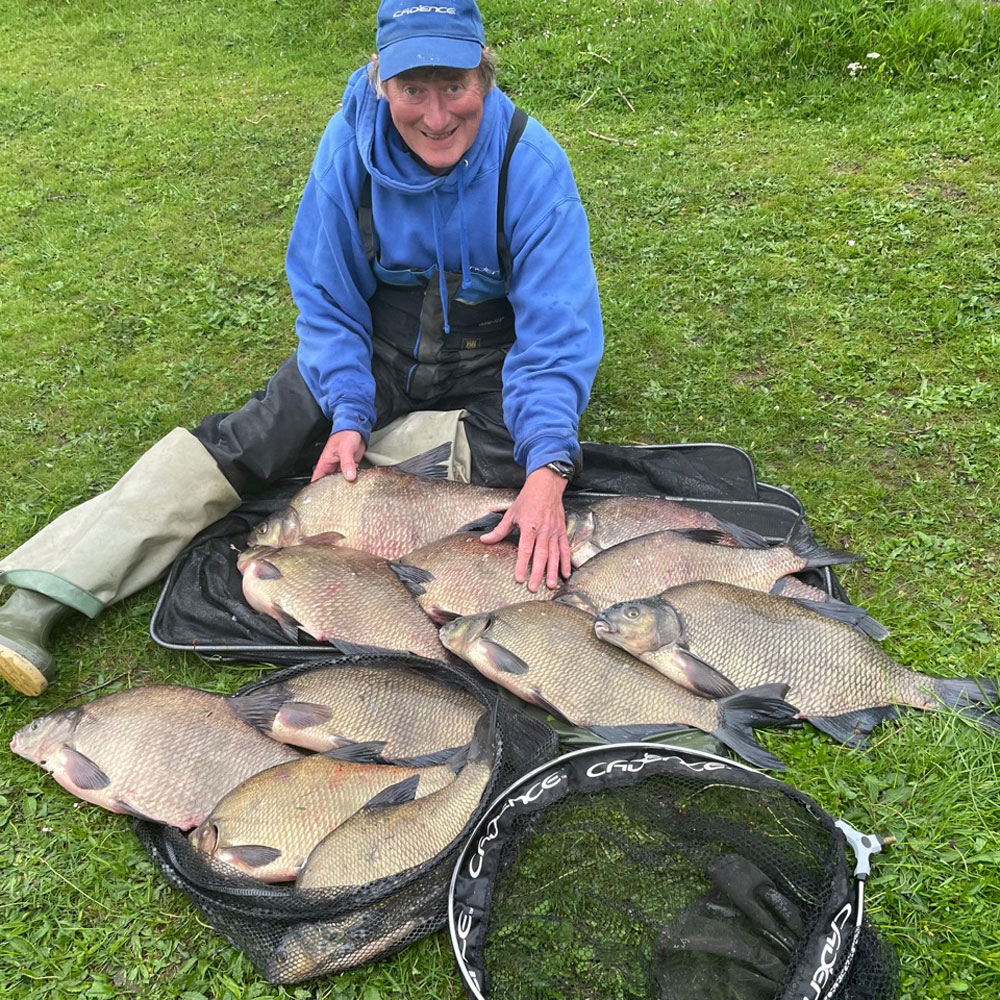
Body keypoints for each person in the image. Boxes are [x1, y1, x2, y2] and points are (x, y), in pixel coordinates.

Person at [0, 0, 604, 697]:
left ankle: (318, 502)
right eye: (413, 89)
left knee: (522, 466)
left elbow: (555, 337)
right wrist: (348, 412)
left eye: (455, 87)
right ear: (381, 81)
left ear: (487, 77)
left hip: (490, 366)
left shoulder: (532, 164)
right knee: (253, 438)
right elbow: (328, 303)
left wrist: (549, 470)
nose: (436, 117)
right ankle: (43, 596)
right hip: (372, 352)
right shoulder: (347, 151)